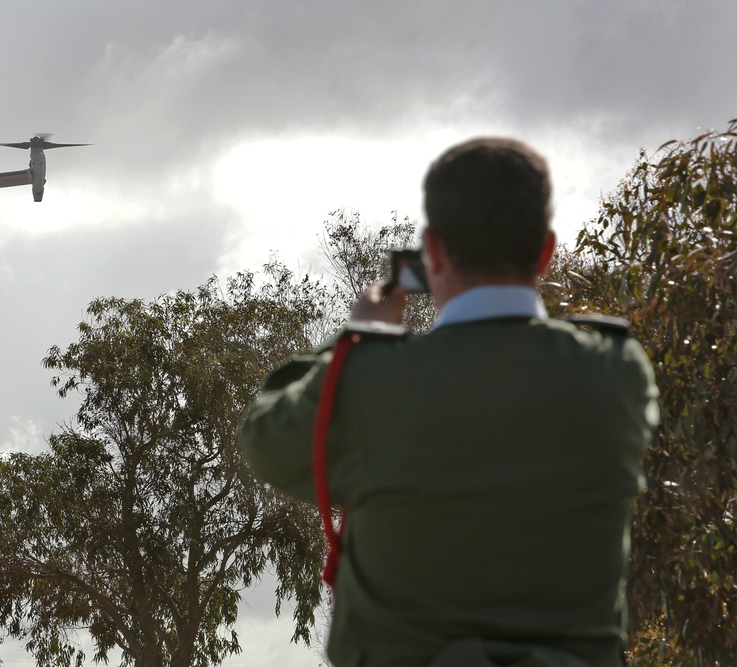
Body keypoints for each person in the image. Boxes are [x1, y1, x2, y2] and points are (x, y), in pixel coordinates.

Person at [239, 138, 659, 667]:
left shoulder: (373, 384)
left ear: (432, 252)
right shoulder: (615, 372)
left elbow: (266, 440)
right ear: (546, 251)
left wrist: (358, 337)